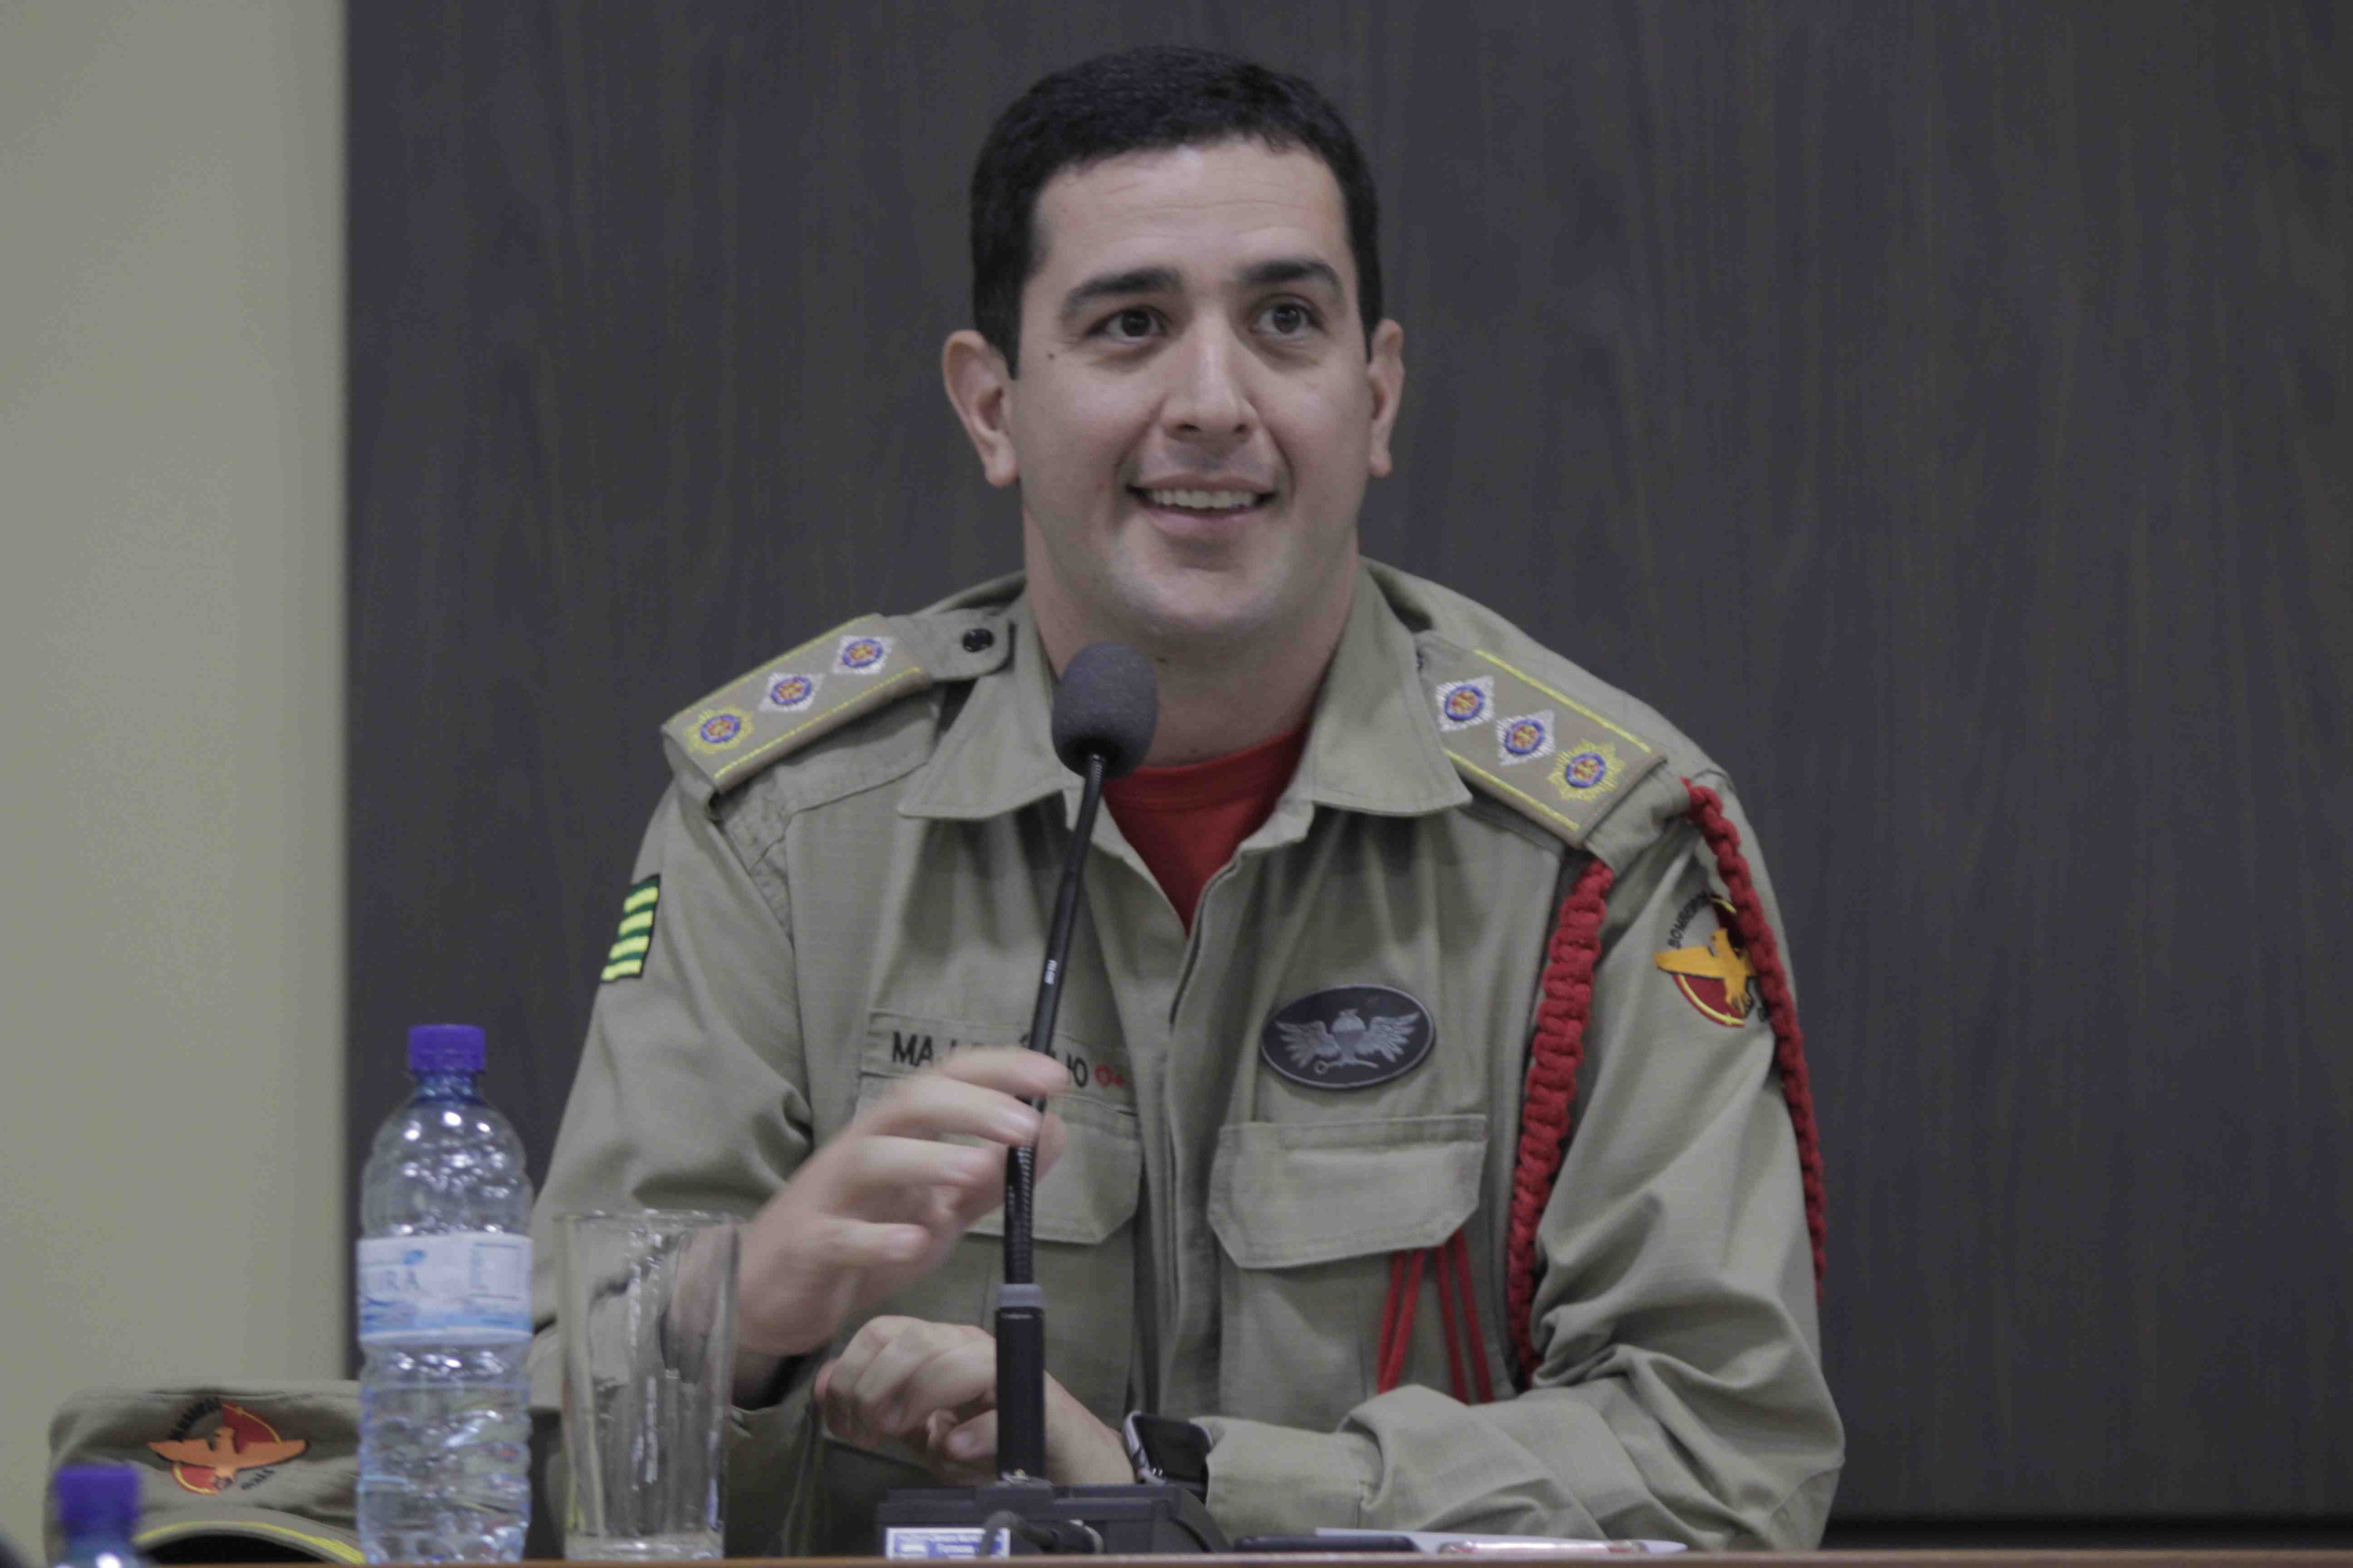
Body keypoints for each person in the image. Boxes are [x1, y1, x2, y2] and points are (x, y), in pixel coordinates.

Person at [528, 44, 1843, 1555]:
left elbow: (1723, 1463)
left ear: (1375, 393)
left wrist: (1166, 1474)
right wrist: (744, 1322)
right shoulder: (782, 832)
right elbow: (537, 1464)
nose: (1213, 402)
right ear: (992, 406)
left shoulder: (1594, 848)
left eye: (1284, 321)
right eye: (1130, 325)